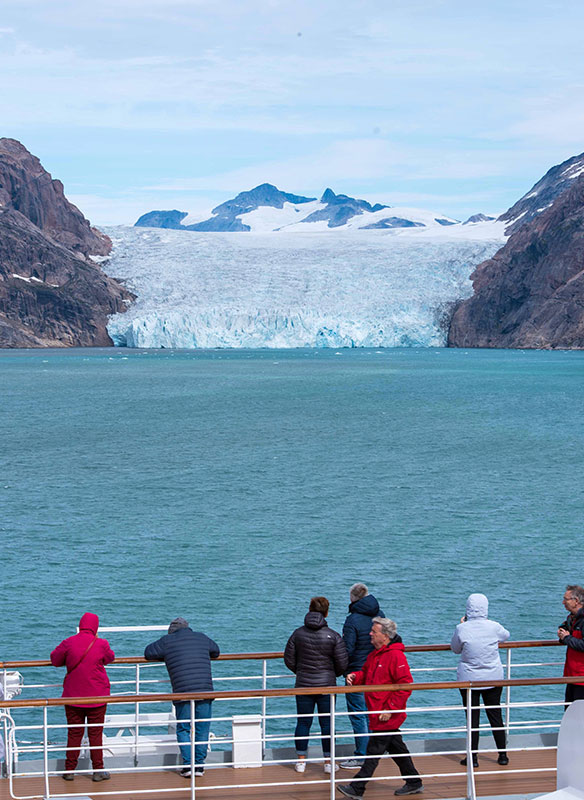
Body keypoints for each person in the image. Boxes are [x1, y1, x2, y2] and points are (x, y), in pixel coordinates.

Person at [338, 617, 423, 798]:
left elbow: (405, 685)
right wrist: (355, 677)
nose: (370, 634)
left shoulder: (395, 656)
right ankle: (414, 781)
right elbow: (367, 674)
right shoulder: (374, 655)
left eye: (373, 632)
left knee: (373, 752)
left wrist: (390, 709)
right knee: (397, 748)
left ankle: (357, 788)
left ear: (384, 636)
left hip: (386, 715)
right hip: (377, 713)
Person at [144, 617, 219, 778]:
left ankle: (188, 765)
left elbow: (148, 652)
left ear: (172, 632)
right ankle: (199, 766)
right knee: (202, 728)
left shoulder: (166, 641)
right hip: (205, 691)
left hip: (183, 692)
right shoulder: (201, 637)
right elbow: (216, 651)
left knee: (184, 728)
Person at [284, 596, 348, 774]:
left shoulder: (298, 634)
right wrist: (331, 673)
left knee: (303, 722)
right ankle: (328, 762)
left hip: (303, 684)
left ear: (310, 610)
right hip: (327, 686)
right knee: (327, 724)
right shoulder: (333, 636)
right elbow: (342, 663)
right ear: (327, 612)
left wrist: (300, 671)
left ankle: (301, 761)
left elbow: (288, 659)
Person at [50, 612, 115, 782]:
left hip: (73, 697)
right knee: (95, 734)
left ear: (80, 626)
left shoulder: (68, 642)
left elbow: (55, 660)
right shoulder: (101, 643)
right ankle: (98, 770)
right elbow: (110, 658)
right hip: (97, 697)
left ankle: (69, 769)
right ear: (95, 627)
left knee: (74, 733)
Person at [450, 593, 510, 768]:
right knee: (495, 716)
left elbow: (455, 648)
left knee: (472, 719)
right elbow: (505, 635)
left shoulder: (462, 629)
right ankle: (503, 755)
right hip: (493, 677)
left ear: (468, 609)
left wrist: (464, 624)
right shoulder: (494, 627)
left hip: (469, 680)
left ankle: (473, 758)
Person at [341, 583, 385, 769]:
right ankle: (374, 754)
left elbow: (347, 648)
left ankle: (362, 756)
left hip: (357, 672)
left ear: (352, 598)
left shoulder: (352, 620)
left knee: (359, 715)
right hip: (378, 671)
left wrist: (343, 670)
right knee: (373, 714)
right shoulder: (381, 616)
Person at [558, 584, 584, 704]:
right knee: (570, 711)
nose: (563, 602)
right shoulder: (572, 618)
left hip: (581, 677)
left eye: (566, 599)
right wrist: (563, 635)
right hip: (572, 675)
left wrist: (567, 638)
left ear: (576, 601)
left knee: (578, 713)